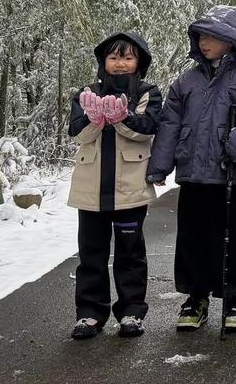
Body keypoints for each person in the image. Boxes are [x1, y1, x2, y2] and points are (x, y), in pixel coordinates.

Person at [147, 6, 236, 333]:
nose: (205, 42)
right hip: (194, 173)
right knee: (193, 237)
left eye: (214, 36)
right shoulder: (186, 81)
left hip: (234, 174)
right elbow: (170, 123)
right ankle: (196, 297)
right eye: (201, 35)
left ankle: (235, 298)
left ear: (232, 40)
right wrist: (161, 164)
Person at [67, 33, 162, 339]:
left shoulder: (148, 92)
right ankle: (90, 314)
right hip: (90, 190)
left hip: (129, 189)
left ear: (139, 62)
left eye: (128, 57)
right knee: (91, 252)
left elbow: (148, 127)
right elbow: (77, 133)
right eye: (114, 57)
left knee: (130, 253)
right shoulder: (86, 92)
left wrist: (122, 118)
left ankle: (132, 312)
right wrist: (95, 119)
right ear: (103, 62)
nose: (120, 64)